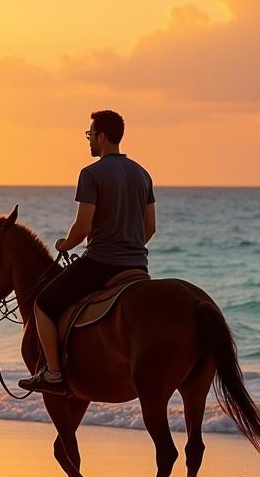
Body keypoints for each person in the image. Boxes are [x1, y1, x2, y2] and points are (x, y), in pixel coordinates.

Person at [18, 110, 156, 395]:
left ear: (102, 137)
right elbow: (150, 228)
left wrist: (64, 245)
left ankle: (54, 373)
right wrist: (129, 246)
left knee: (43, 304)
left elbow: (82, 227)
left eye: (90, 135)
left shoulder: (91, 174)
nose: (89, 141)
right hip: (138, 266)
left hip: (101, 264)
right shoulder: (143, 174)